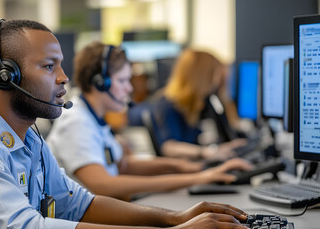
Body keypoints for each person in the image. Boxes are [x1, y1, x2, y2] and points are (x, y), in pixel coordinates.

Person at [0, 19, 249, 228]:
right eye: (49, 67)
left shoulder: (30, 139)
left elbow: (78, 204)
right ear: (6, 77)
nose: (63, 78)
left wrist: (174, 218)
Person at [47, 42, 252, 201]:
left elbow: (125, 166)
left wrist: (183, 167)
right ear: (100, 83)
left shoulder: (94, 118)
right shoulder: (77, 124)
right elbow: (105, 185)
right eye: (122, 81)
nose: (130, 89)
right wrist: (199, 178)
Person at [150, 49, 247, 160]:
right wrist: (206, 152)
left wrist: (224, 147)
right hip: (187, 168)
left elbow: (225, 131)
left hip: (202, 163)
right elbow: (169, 147)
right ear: (204, 76)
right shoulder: (167, 104)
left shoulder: (206, 101)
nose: (217, 80)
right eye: (215, 74)